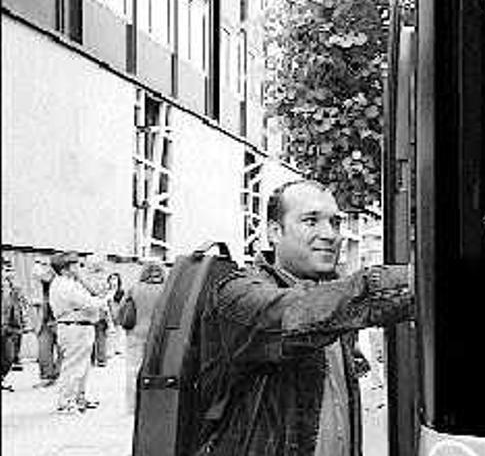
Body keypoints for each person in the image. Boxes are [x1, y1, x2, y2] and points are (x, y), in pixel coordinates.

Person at [194, 180, 414, 456]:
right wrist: (424, 282)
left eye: (335, 223)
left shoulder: (335, 298)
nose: (330, 234)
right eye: (311, 221)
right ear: (274, 232)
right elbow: (299, 313)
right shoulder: (237, 295)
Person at [48, 252, 105, 414]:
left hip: (81, 326)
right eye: (75, 265)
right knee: (73, 366)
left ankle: (79, 397)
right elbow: (89, 302)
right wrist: (105, 299)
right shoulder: (65, 285)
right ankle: (66, 401)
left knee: (83, 366)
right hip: (74, 327)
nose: (79, 268)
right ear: (65, 269)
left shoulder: (71, 283)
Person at [124, 261, 165, 413]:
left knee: (133, 370)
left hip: (135, 334)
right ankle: (154, 404)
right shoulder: (166, 290)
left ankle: (132, 406)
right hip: (158, 335)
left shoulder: (134, 289)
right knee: (157, 370)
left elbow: (122, 312)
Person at [32, 261, 60, 388]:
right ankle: (47, 376)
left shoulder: (60, 282)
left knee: (62, 350)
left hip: (59, 320)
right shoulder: (38, 285)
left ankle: (58, 375)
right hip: (43, 320)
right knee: (43, 350)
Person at [1, 258, 25, 392]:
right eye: (5, 269)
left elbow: (20, 306)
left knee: (9, 356)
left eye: (9, 270)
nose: (8, 273)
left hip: (10, 326)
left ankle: (2, 377)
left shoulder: (13, 287)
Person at [83, 255, 110, 367]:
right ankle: (101, 358)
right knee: (101, 335)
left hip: (90, 310)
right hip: (101, 309)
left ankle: (92, 358)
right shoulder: (103, 279)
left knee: (91, 335)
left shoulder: (86, 279)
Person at [106, 272, 126, 356]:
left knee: (119, 331)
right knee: (110, 332)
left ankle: (118, 348)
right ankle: (110, 349)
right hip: (108, 313)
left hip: (118, 312)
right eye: (111, 278)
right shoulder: (106, 291)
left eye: (115, 279)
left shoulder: (121, 292)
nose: (112, 281)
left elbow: (123, 303)